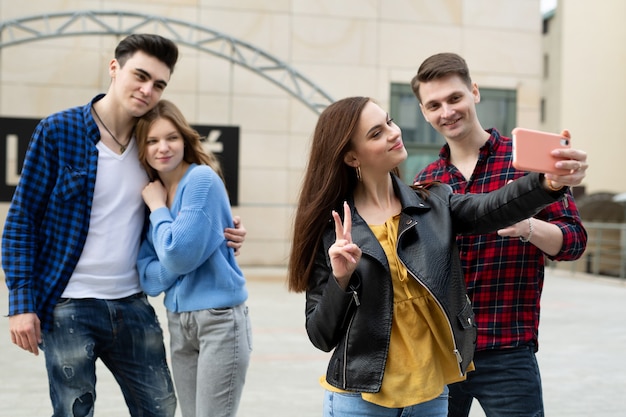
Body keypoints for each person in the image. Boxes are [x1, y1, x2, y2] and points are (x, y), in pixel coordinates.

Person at [286, 96, 588, 417]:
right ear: (350, 156)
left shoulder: (433, 203)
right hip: (361, 401)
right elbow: (320, 334)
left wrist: (547, 183)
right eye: (376, 133)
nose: (393, 132)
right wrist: (341, 280)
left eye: (389, 121)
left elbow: (492, 207)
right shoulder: (333, 229)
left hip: (431, 398)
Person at [1, 34, 246, 417]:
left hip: (133, 304)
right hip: (68, 306)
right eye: (140, 76)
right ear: (114, 68)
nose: (148, 90)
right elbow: (21, 220)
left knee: (161, 409)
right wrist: (20, 303)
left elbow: (187, 214)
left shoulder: (152, 146)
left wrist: (222, 231)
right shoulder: (58, 131)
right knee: (73, 411)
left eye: (159, 84)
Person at [411, 52, 588, 417]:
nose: (446, 111)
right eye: (434, 105)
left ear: (474, 92)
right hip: (443, 353)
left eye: (454, 97)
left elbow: (573, 242)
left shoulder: (527, 161)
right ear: (424, 112)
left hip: (509, 351)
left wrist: (527, 227)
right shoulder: (425, 181)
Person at [135, 100, 252, 417]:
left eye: (171, 137)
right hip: (178, 321)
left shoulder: (200, 180)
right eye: (152, 140)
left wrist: (159, 210)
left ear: (185, 139)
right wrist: (185, 253)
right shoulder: (150, 191)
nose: (163, 148)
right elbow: (148, 277)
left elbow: (175, 255)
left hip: (218, 319)